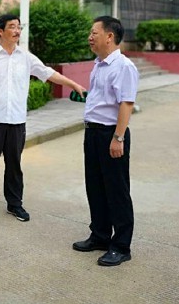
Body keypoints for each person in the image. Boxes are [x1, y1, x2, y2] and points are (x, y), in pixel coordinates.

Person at [0, 14, 87, 225]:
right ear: (1, 31)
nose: (17, 31)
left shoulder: (26, 57)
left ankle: (14, 204)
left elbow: (47, 72)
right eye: (12, 27)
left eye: (18, 27)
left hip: (16, 121)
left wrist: (73, 84)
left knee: (14, 164)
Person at [72, 16, 139, 267]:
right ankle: (100, 236)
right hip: (92, 133)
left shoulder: (124, 66)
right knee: (96, 187)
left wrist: (118, 138)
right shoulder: (99, 65)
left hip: (111, 134)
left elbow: (126, 103)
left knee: (116, 191)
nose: (90, 37)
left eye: (94, 33)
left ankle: (121, 246)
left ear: (109, 36)